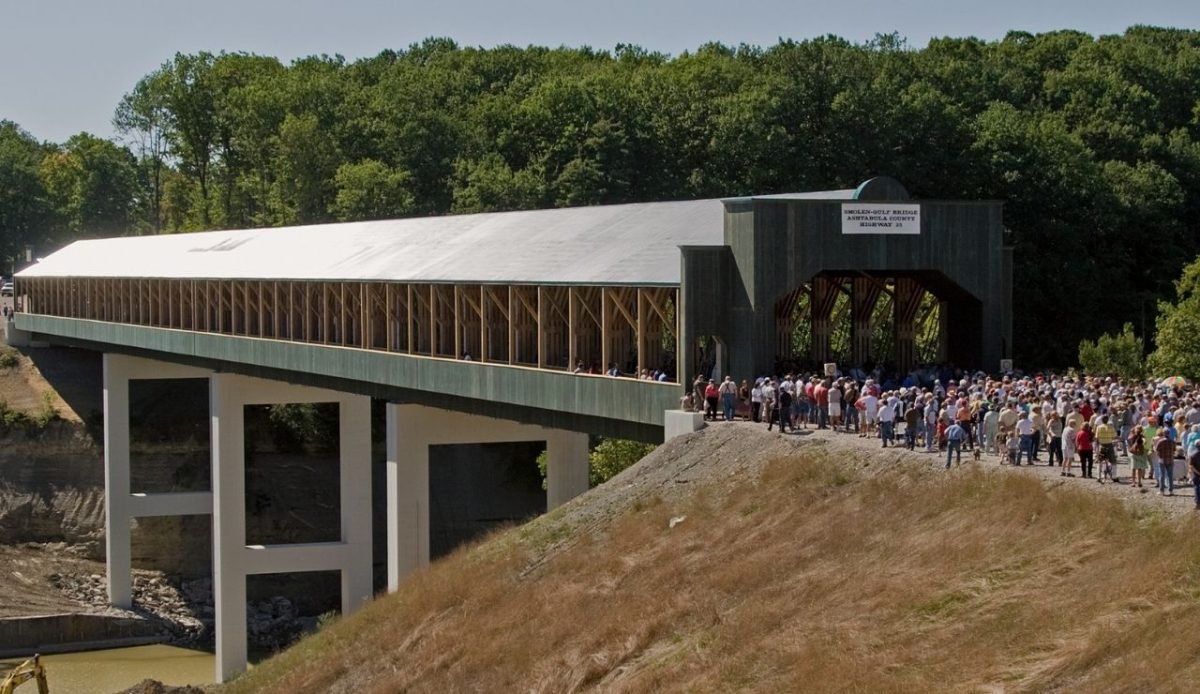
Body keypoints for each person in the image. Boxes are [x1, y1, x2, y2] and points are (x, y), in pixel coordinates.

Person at [1095, 415, 1119, 483]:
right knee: (1113, 461)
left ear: (1102, 420)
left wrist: (1097, 447)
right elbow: (1114, 436)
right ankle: (1114, 476)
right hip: (1109, 445)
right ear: (1107, 420)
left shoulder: (1099, 427)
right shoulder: (1111, 427)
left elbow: (1097, 438)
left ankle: (1098, 477)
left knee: (1100, 461)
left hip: (1102, 445)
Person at [1153, 428, 1175, 496]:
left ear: (1164, 433)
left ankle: (1162, 490)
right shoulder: (1172, 441)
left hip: (1162, 460)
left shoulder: (1161, 441)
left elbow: (1156, 449)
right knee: (1170, 476)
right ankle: (1171, 490)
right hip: (1170, 459)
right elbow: (1174, 450)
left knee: (1162, 475)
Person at [1189, 441, 1200, 510]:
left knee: (1196, 487)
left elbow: (1191, 466)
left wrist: (1198, 473)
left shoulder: (1193, 454)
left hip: (1196, 474)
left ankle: (1198, 502)